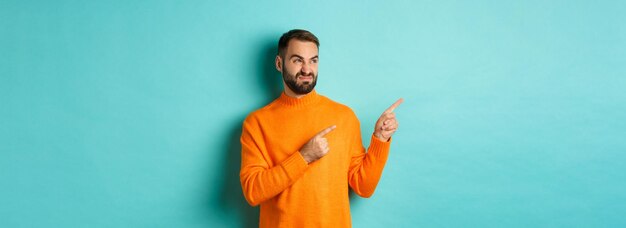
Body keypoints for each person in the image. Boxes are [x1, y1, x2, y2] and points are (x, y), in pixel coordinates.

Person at [240, 29, 402, 227]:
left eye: (313, 60)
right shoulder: (257, 122)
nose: (307, 69)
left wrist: (380, 139)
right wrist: (304, 157)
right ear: (279, 64)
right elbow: (253, 192)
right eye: (297, 60)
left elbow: (363, 187)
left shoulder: (344, 116)